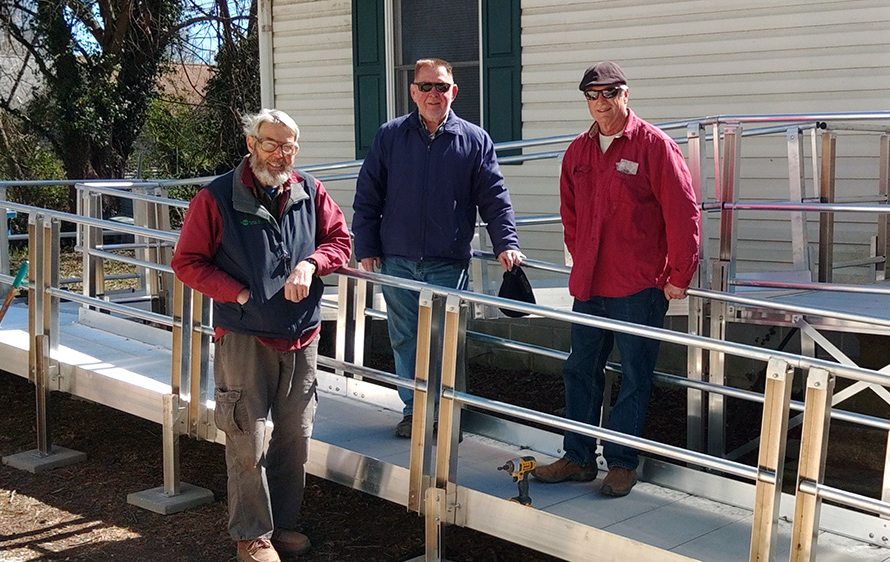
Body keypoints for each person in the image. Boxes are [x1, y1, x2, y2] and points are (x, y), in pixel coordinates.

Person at [170, 109, 351, 562]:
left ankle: (283, 524)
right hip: (244, 337)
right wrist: (240, 294)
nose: (279, 154)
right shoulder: (216, 198)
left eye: (288, 145)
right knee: (246, 437)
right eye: (270, 143)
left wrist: (312, 264)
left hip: (302, 336)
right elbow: (187, 262)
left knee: (295, 436)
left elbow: (341, 242)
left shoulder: (310, 191)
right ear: (251, 144)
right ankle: (252, 536)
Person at [533, 62, 700, 497]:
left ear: (627, 95)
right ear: (586, 100)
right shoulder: (578, 152)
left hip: (639, 287)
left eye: (610, 92)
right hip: (590, 285)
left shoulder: (655, 147)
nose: (601, 101)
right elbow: (570, 215)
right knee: (580, 370)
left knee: (635, 375)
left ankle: (623, 462)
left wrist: (679, 274)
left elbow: (683, 214)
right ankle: (578, 457)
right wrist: (581, 258)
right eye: (592, 94)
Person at [352, 58, 526, 438]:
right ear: (412, 91)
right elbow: (368, 196)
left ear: (454, 92)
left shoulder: (475, 140)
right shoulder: (390, 135)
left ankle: (447, 413)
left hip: (448, 263)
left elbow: (495, 199)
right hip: (396, 259)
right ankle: (415, 411)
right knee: (404, 339)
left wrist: (506, 244)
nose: (434, 94)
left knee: (447, 342)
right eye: (426, 86)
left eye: (442, 87)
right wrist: (365, 246)